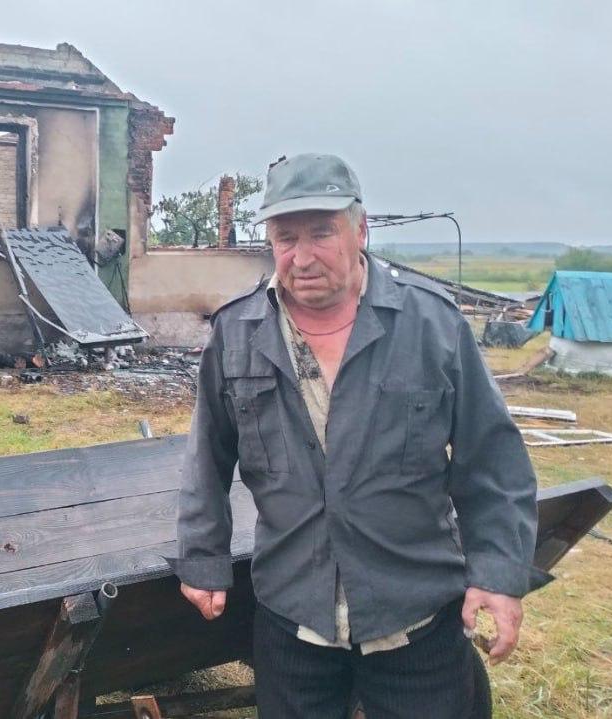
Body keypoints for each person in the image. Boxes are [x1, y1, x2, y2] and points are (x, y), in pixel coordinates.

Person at [167, 154, 552, 718]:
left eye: (322, 233)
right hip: (293, 619)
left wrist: (498, 573)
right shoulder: (238, 333)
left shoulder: (431, 325)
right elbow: (206, 458)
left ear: (361, 229)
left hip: (414, 617)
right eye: (285, 238)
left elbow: (492, 460)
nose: (302, 257)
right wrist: (202, 558)